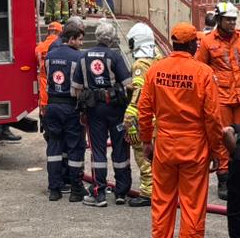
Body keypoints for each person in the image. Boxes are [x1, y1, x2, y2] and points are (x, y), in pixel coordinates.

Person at [137, 21, 226, 238]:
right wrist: (218, 151)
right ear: (191, 44)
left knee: (162, 205)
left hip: (164, 145)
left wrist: (146, 142)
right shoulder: (203, 73)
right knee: (192, 208)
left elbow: (144, 111)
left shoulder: (156, 70)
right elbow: (212, 117)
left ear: (174, 43)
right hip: (194, 148)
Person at [195, 2, 240, 200]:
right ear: (218, 20)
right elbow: (198, 70)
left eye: (234, 19)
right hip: (220, 98)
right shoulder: (208, 42)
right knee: (221, 138)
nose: (232, 23)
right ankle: (224, 178)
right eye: (228, 19)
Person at [81, 20, 134, 207]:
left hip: (94, 109)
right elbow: (129, 84)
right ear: (112, 39)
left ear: (96, 36)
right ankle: (121, 192)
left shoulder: (83, 56)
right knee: (120, 148)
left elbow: (76, 89)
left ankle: (99, 193)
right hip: (116, 109)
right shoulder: (115, 56)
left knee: (98, 150)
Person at [42, 19, 87, 202]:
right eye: (79, 40)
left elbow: (46, 77)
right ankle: (76, 189)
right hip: (70, 106)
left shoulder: (50, 55)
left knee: (54, 147)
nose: (81, 43)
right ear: (71, 39)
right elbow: (80, 86)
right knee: (74, 147)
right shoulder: (77, 57)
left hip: (52, 106)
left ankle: (54, 189)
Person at [123, 21, 160, 207]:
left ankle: (147, 193)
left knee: (142, 154)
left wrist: (130, 117)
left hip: (144, 117)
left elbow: (139, 90)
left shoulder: (140, 64)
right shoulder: (159, 58)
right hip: (160, 117)